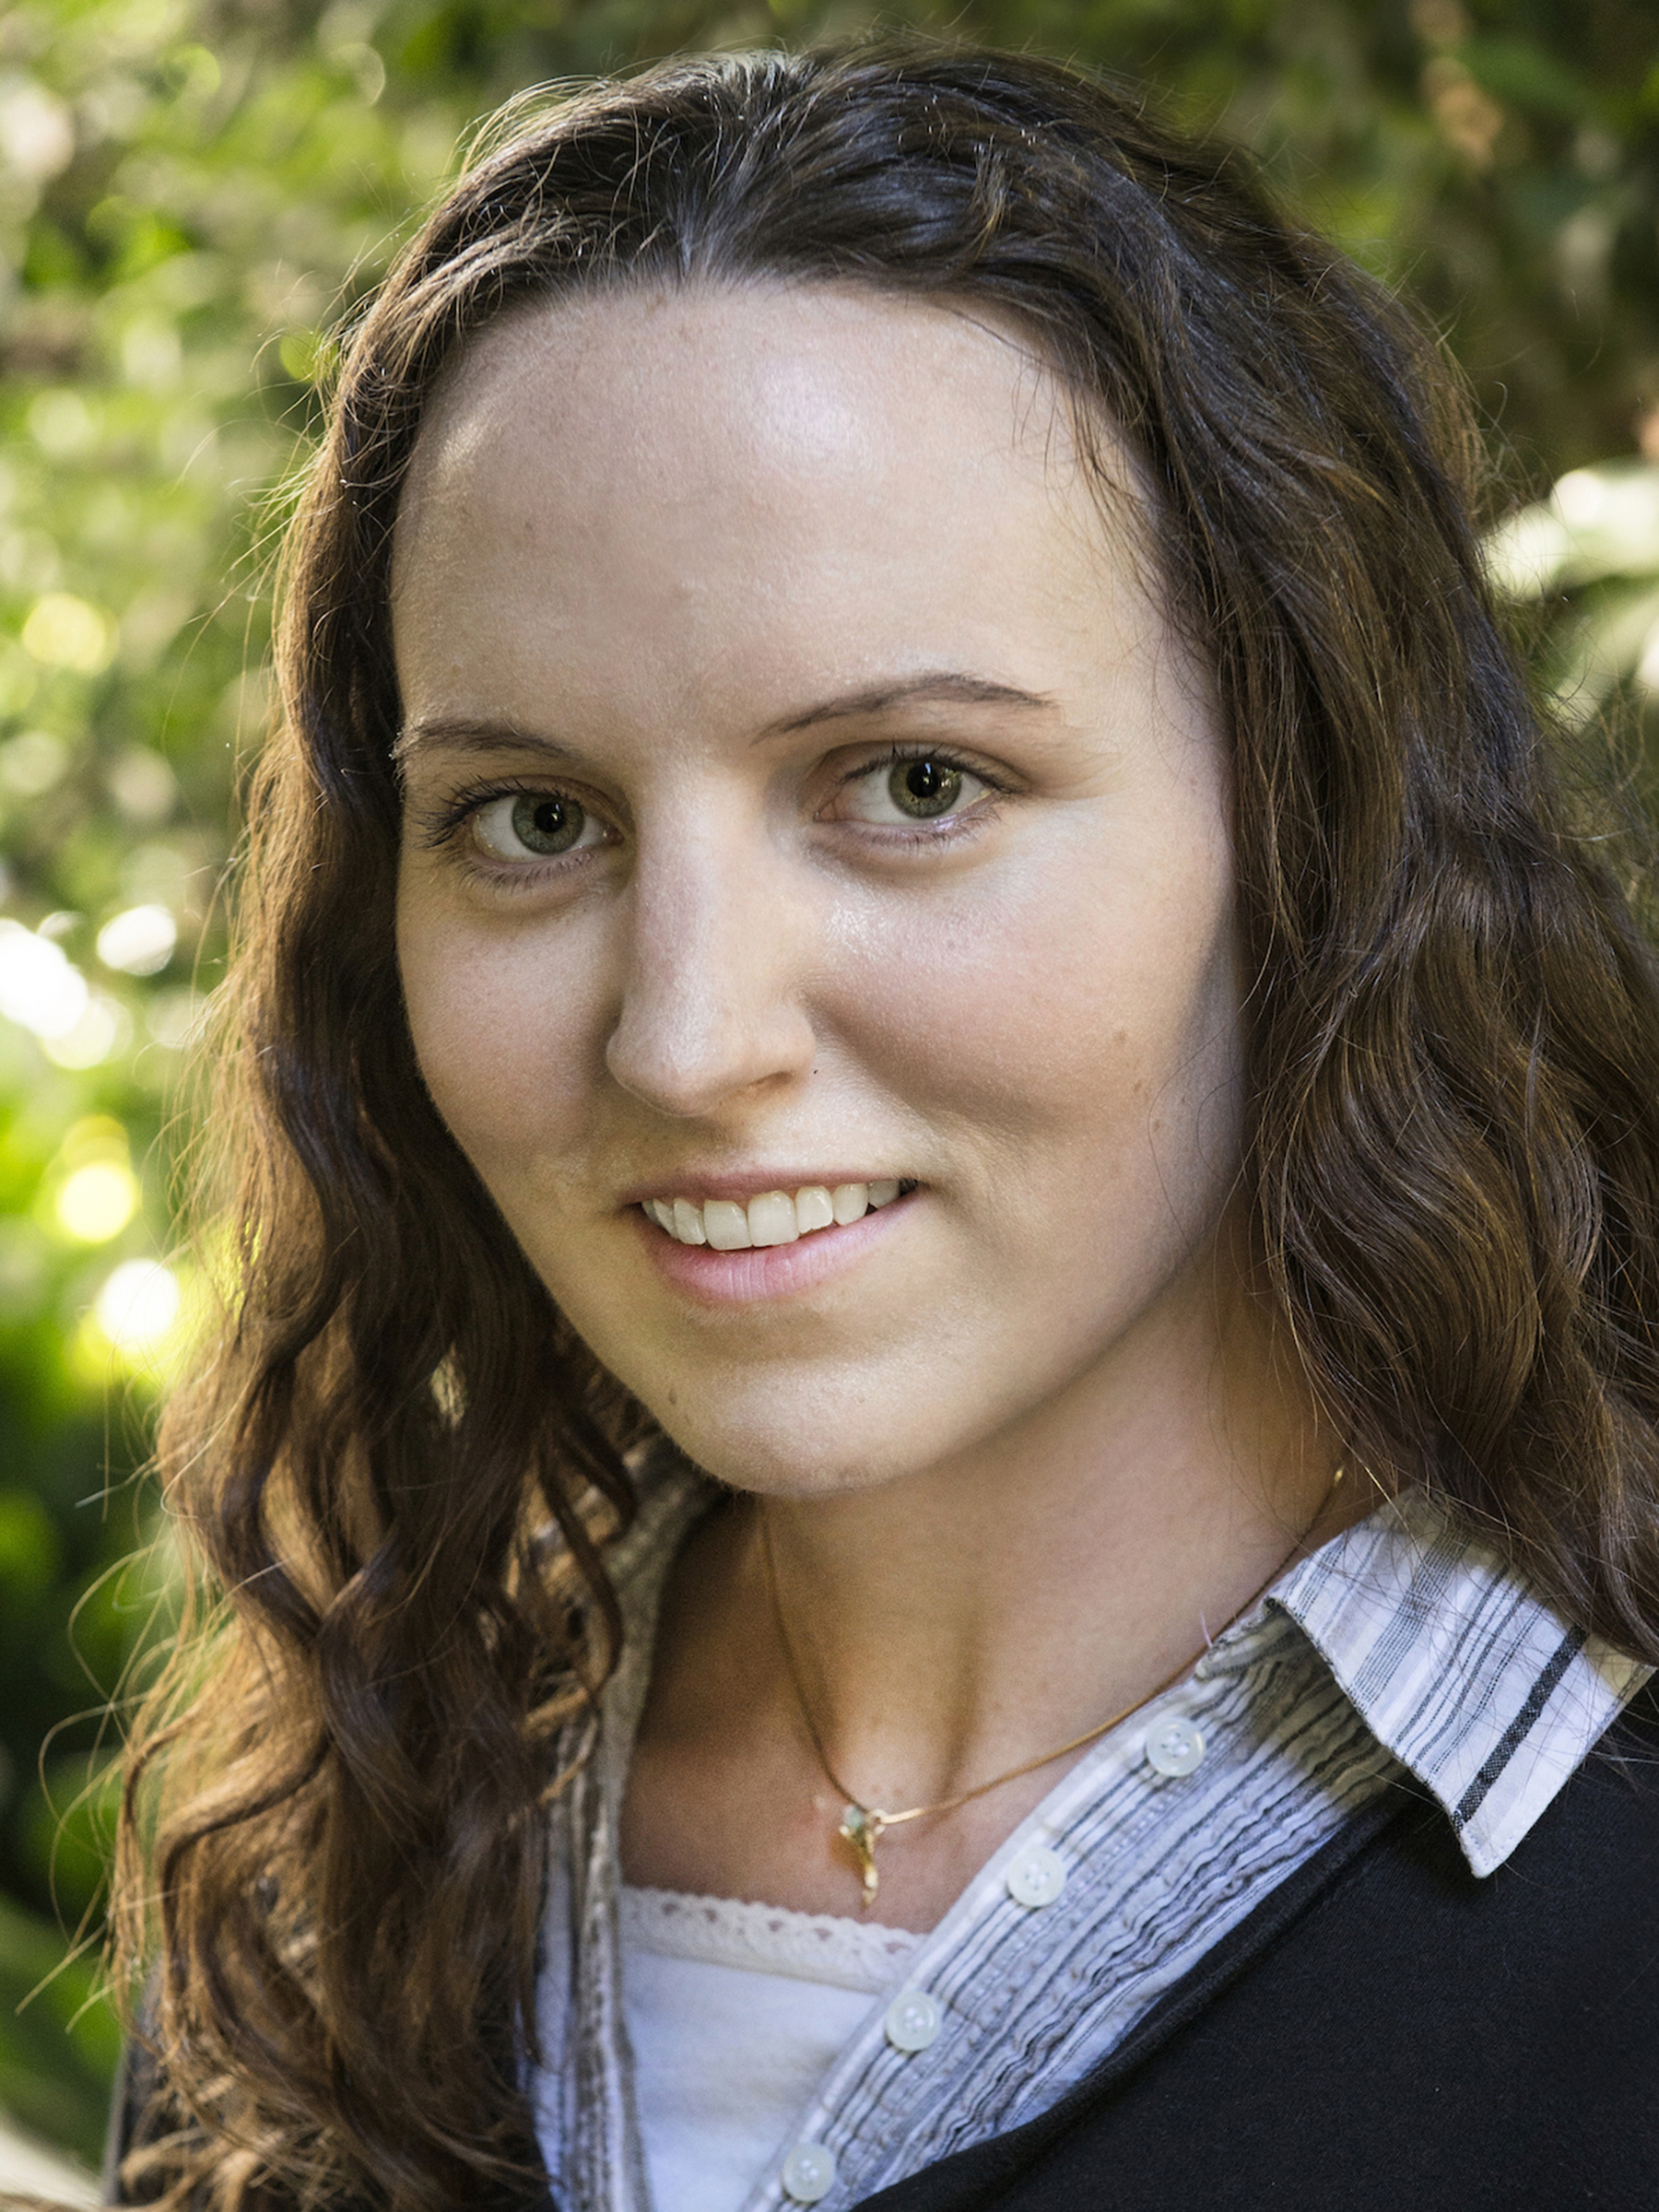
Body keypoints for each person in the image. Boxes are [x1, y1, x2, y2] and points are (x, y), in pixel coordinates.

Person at [105, 37, 1659, 2212]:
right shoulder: (337, 1855)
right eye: (532, 820)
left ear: (1311, 828)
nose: (686, 1037)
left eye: (916, 783)